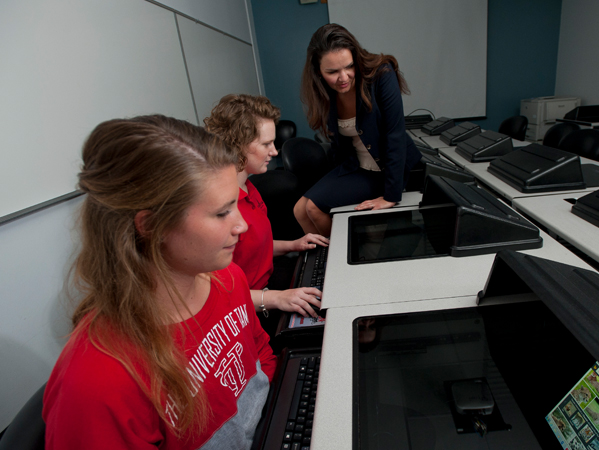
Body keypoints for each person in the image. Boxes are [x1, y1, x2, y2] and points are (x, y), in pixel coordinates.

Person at [42, 115, 277, 449]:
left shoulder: (228, 279)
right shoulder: (97, 382)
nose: (242, 225)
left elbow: (261, 360)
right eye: (222, 213)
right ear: (151, 225)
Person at [205, 94, 327, 320]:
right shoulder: (220, 207)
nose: (275, 152)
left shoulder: (249, 186)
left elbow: (252, 247)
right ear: (237, 145)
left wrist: (293, 244)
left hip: (267, 288)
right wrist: (277, 299)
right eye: (265, 144)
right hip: (248, 307)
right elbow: (218, 293)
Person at [293, 23, 422, 237]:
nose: (343, 77)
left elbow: (395, 137)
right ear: (318, 72)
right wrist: (335, 184)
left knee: (313, 209)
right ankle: (322, 264)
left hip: (387, 170)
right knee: (299, 210)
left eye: (349, 67)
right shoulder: (325, 92)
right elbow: (339, 147)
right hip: (358, 168)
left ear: (357, 59)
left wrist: (391, 196)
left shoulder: (382, 75)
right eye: (332, 72)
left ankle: (344, 260)